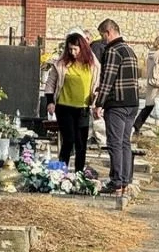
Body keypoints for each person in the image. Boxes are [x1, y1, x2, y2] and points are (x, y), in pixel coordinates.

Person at [92, 19, 140, 196]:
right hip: (132, 103)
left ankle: (116, 181)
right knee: (125, 142)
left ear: (108, 32)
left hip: (117, 103)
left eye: (102, 35)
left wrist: (99, 103)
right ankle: (125, 181)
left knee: (114, 143)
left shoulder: (113, 50)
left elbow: (108, 79)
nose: (102, 40)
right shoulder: (129, 50)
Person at [44, 29, 100, 172]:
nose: (73, 52)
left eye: (75, 49)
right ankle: (62, 170)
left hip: (82, 108)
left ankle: (79, 172)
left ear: (82, 48)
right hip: (64, 107)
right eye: (70, 49)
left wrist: (96, 99)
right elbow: (50, 83)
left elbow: (97, 84)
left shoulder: (92, 65)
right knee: (69, 140)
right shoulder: (61, 64)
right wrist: (50, 101)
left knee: (81, 143)